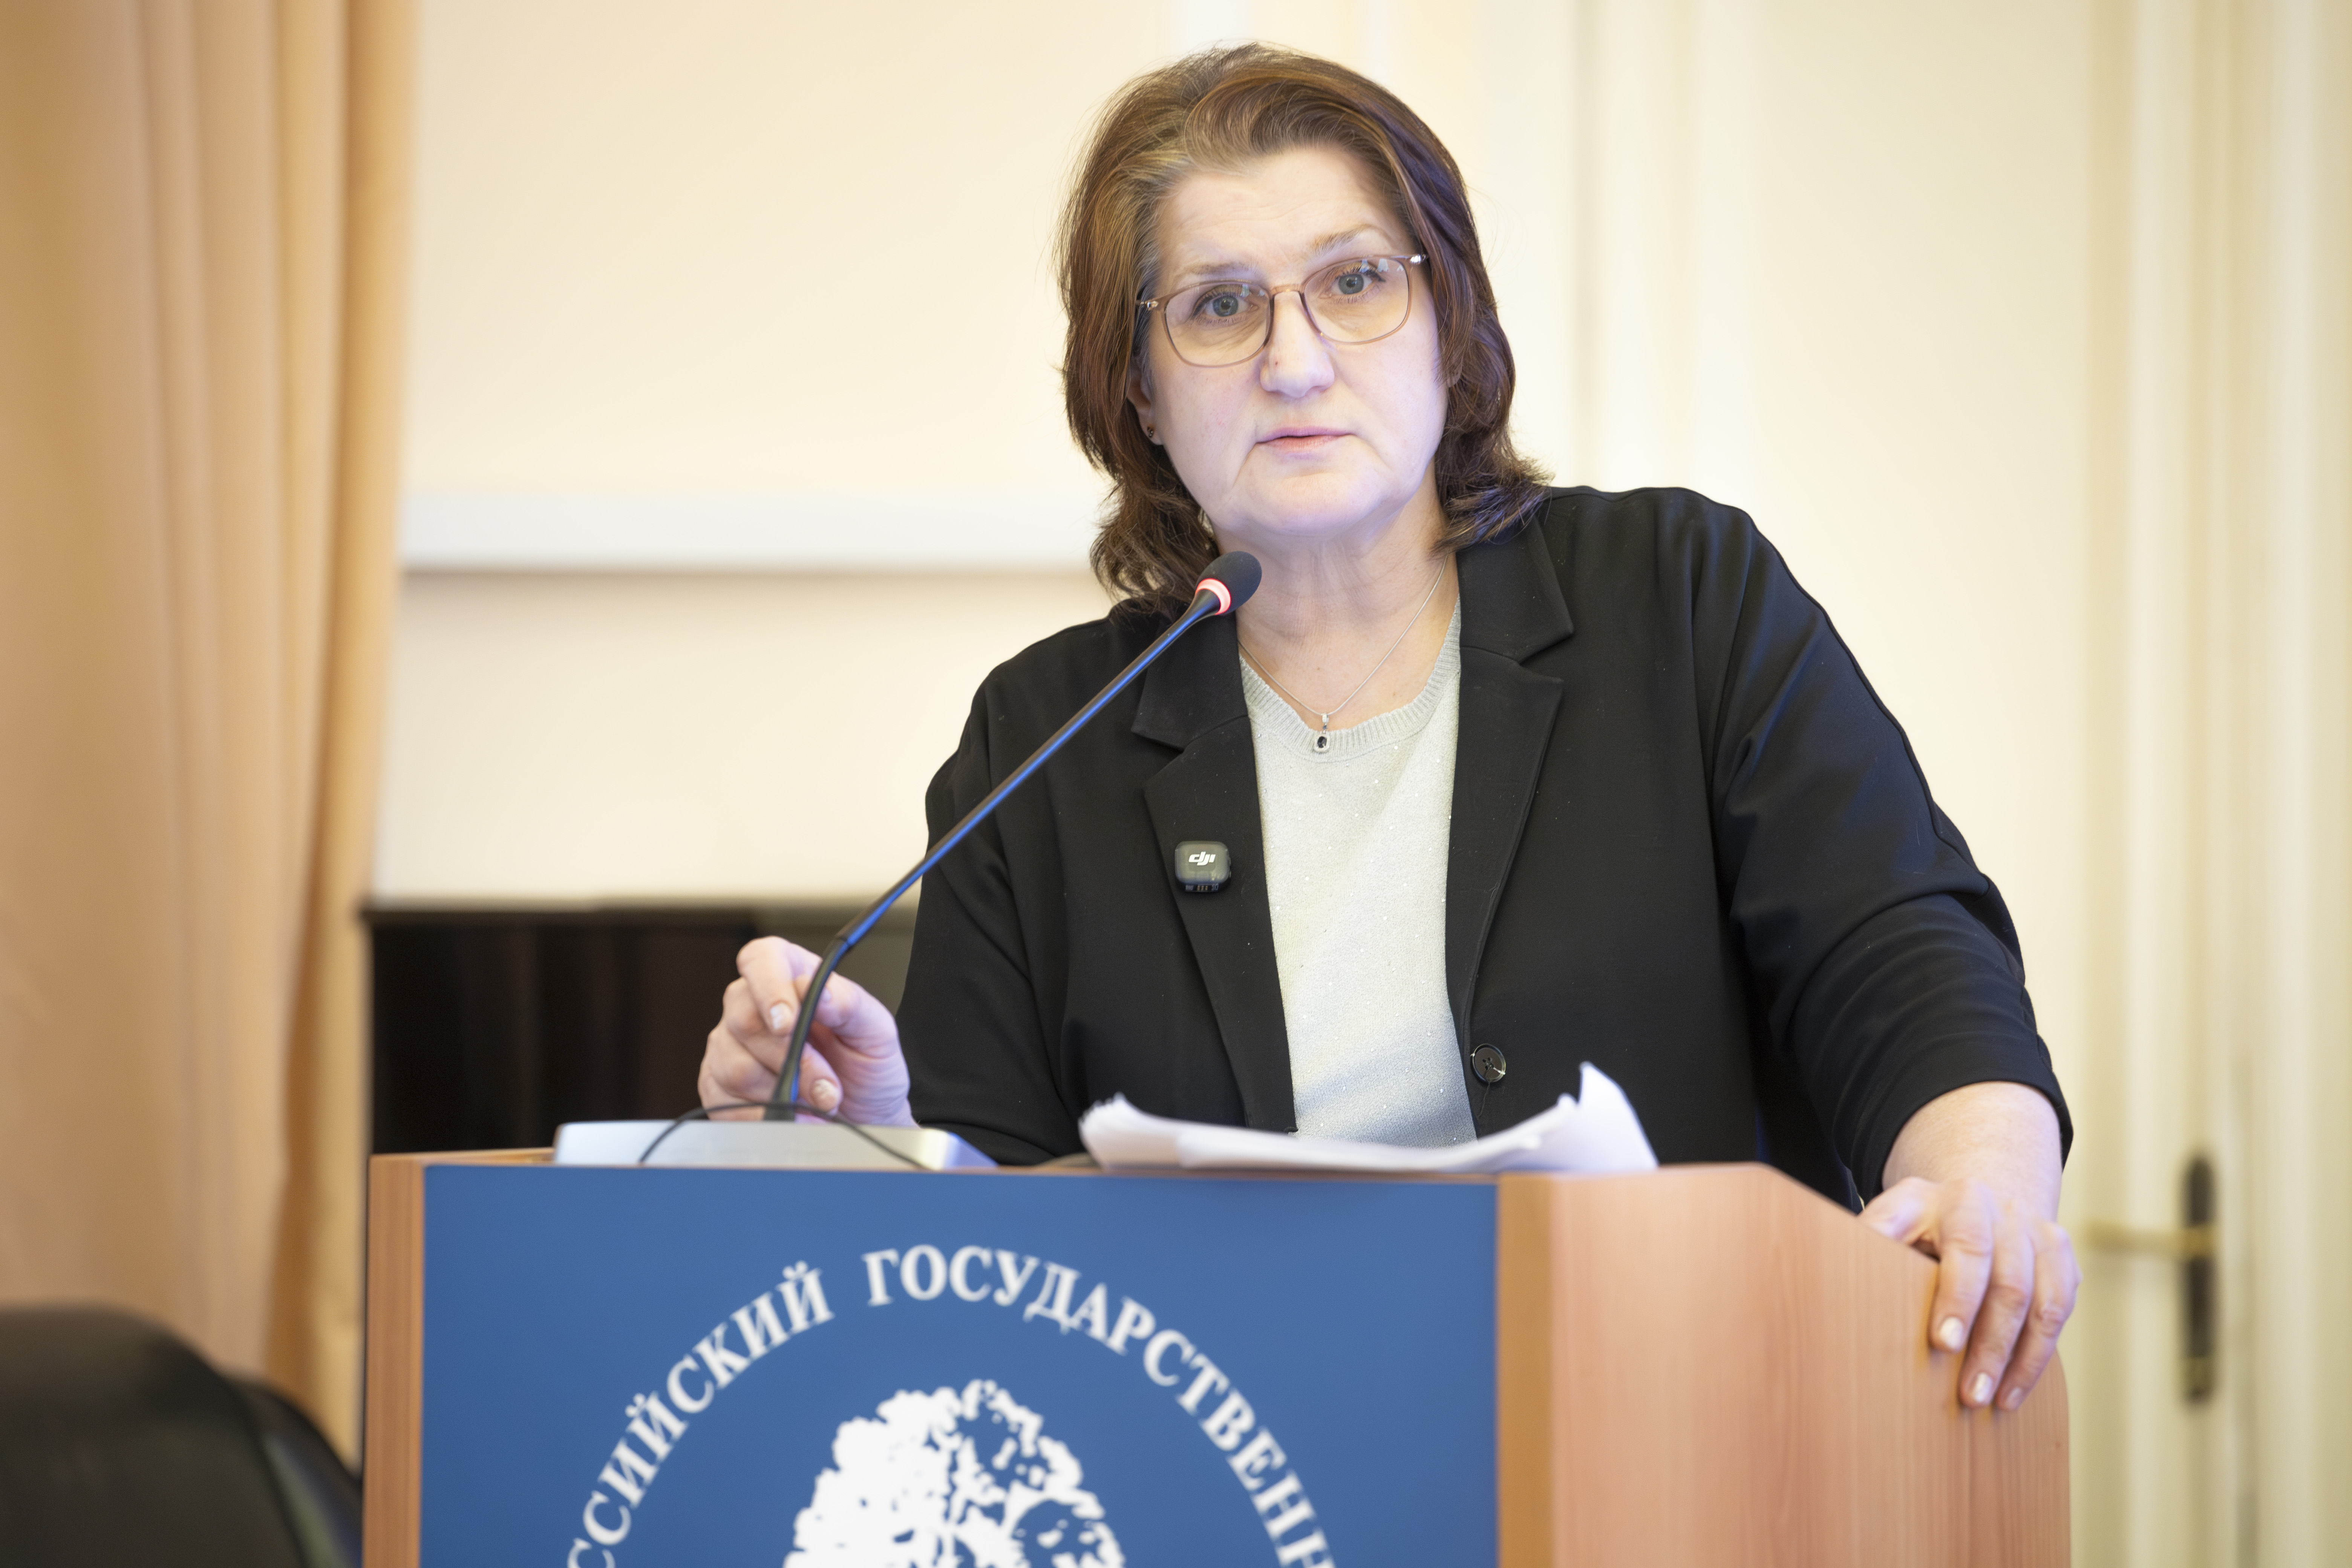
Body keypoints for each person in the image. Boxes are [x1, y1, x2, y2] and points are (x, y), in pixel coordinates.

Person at [700, 44, 2076, 1414]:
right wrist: (866, 1140)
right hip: (1241, 1463)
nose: (1296, 362)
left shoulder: (1678, 597)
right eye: (1220, 307)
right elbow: (988, 1252)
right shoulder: (1047, 734)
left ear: (1447, 325)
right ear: (1139, 392)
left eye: (1356, 282)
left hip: (1674, 1424)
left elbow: (1897, 949)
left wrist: (1981, 1176)